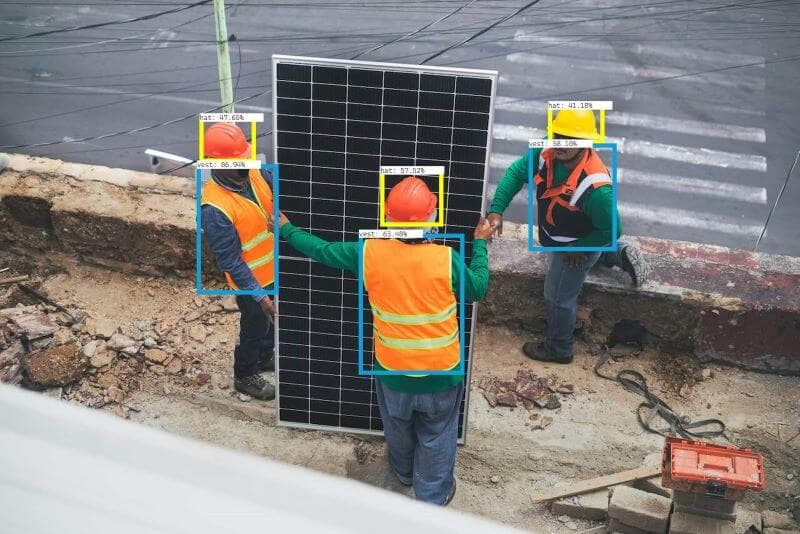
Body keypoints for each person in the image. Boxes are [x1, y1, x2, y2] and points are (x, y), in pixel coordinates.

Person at [271, 176, 493, 506]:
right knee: (437, 434)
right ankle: (433, 496)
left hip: (393, 372)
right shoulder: (446, 260)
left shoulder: (369, 252)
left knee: (399, 427)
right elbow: (478, 288)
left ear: (388, 217)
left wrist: (287, 229)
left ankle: (402, 473)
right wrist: (480, 244)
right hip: (441, 374)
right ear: (432, 218)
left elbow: (323, 251)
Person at [487, 109, 649, 364]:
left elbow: (611, 230)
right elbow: (517, 173)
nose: (560, 143)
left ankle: (558, 348)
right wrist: (496, 210)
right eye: (557, 135)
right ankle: (616, 254)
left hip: (574, 246)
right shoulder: (545, 152)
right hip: (564, 238)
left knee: (558, 296)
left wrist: (578, 249)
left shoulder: (596, 189)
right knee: (591, 255)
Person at [200, 122, 276, 400]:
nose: (245, 166)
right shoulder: (215, 209)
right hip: (250, 282)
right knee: (255, 325)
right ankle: (244, 375)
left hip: (273, 271)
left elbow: (275, 192)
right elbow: (231, 261)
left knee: (270, 324)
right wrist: (258, 295)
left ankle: (265, 356)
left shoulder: (255, 173)